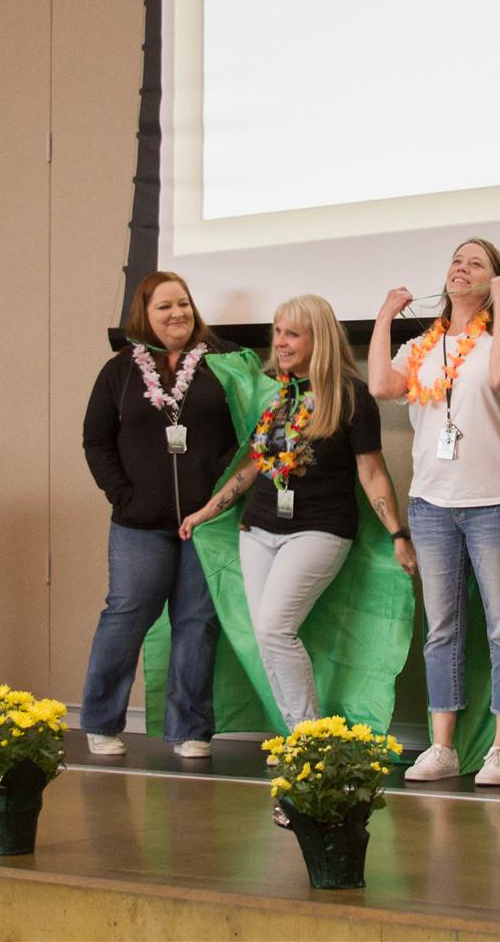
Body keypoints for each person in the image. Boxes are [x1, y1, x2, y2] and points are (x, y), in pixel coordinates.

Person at [180, 294, 416, 733]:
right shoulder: (277, 393)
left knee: (274, 630)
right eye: (276, 331)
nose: (280, 342)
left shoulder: (351, 396)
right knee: (266, 637)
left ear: (319, 338)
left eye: (292, 333)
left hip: (319, 531)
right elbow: (251, 466)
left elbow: (372, 472)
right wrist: (205, 512)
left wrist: (398, 534)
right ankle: (298, 735)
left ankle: (310, 737)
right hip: (257, 530)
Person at [367, 238, 500, 786]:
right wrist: (386, 317)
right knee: (441, 629)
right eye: (457, 261)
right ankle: (443, 748)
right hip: (432, 503)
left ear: (495, 280)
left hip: (497, 501)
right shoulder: (421, 346)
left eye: (477, 263)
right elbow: (380, 385)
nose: (462, 269)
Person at [80, 272, 247, 759]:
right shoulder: (119, 372)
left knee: (197, 622)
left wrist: (220, 488)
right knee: (126, 616)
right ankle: (101, 722)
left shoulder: (225, 364)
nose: (178, 314)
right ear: (143, 316)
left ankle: (190, 729)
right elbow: (96, 440)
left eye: (185, 305)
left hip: (208, 522)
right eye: (165, 307)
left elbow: (249, 428)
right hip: (139, 525)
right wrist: (121, 495)